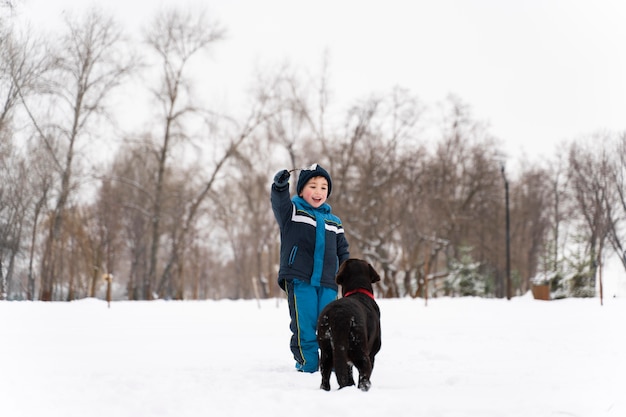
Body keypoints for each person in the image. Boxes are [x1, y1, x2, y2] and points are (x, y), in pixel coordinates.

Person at [271, 163, 350, 372]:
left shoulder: (335, 222)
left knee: (329, 324)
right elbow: (279, 204)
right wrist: (280, 188)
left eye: (323, 187)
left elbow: (343, 251)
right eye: (313, 186)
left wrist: (346, 274)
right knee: (305, 324)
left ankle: (331, 362)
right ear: (302, 190)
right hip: (300, 279)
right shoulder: (292, 212)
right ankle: (308, 363)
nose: (318, 192)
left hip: (328, 282)